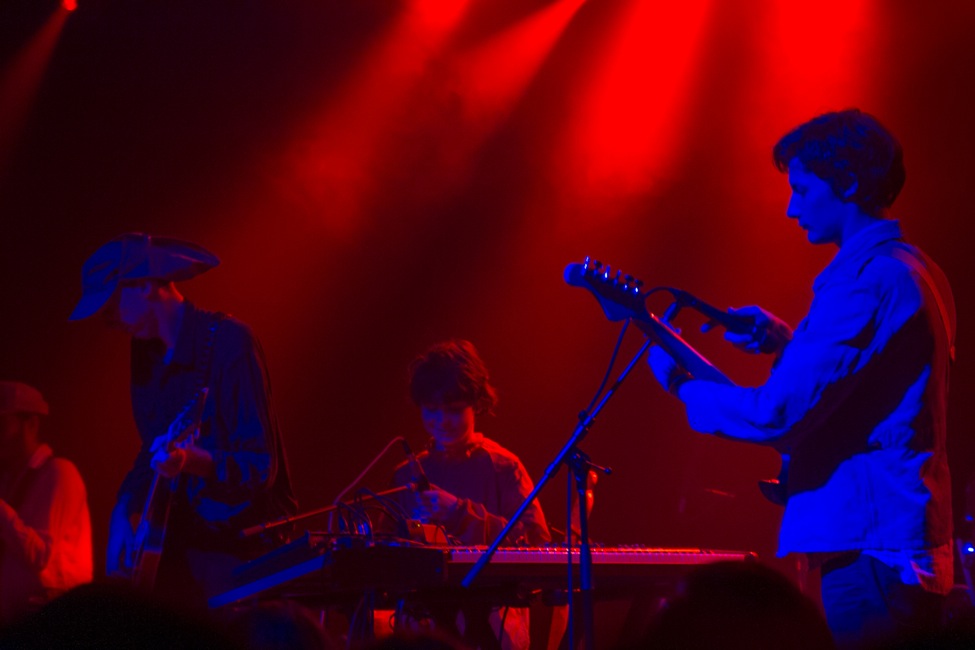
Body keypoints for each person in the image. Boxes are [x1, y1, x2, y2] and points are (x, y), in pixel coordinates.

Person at [647, 109, 956, 648]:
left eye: (803, 189)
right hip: (888, 546)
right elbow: (869, 393)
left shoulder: (868, 280)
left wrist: (683, 387)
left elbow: (779, 415)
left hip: (870, 550)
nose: (791, 208)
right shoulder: (912, 267)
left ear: (849, 183)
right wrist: (788, 344)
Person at [68, 232, 297, 605]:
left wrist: (192, 461)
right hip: (178, 553)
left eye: (110, 303)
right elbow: (151, 450)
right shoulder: (144, 353)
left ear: (144, 285)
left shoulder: (230, 342)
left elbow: (259, 466)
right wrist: (123, 510)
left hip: (237, 554)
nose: (107, 320)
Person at [388, 339, 550, 650]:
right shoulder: (406, 473)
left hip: (491, 628)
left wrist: (460, 513)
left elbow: (537, 544)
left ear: (475, 403)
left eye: (452, 410)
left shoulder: (503, 466)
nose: (441, 421)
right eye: (431, 410)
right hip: (421, 631)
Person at [0, 380, 92, 624]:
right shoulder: (11, 481)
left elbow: (40, 555)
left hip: (53, 624)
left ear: (31, 424)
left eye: (1, 424)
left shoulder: (59, 473)